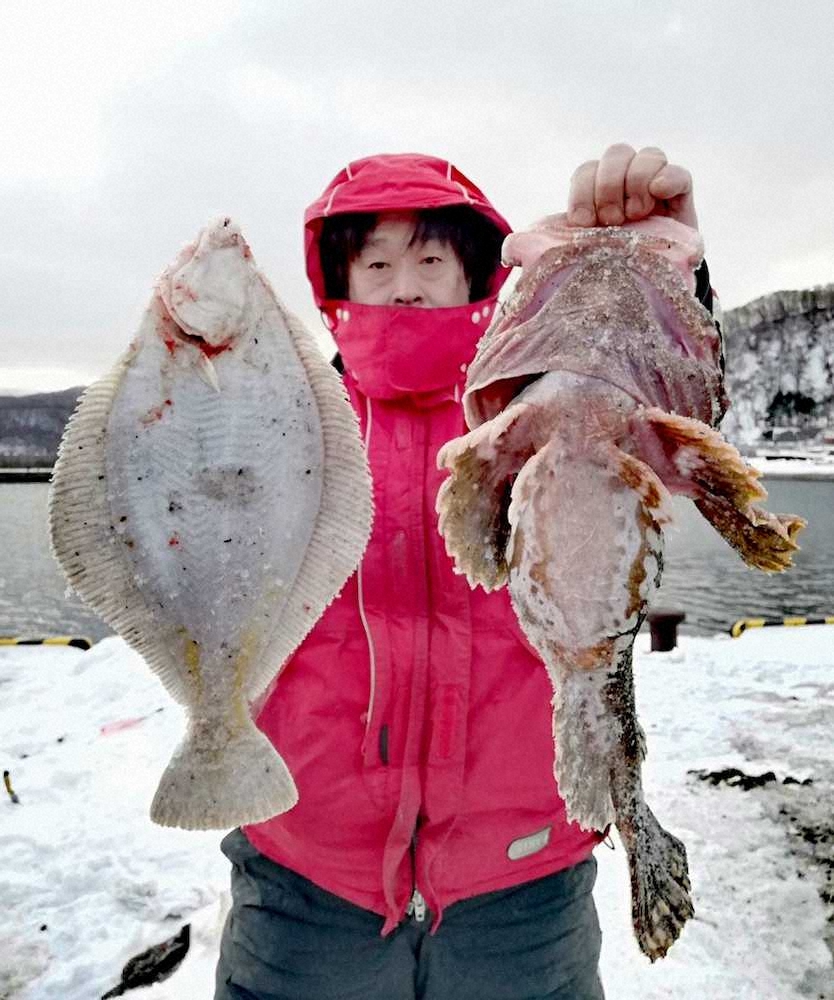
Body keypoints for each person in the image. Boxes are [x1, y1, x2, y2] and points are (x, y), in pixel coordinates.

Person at [214, 144, 714, 1000]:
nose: (403, 283)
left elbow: (673, 426)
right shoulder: (286, 425)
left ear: (479, 272)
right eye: (375, 262)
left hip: (522, 889)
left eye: (430, 258)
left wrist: (660, 288)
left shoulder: (547, 408)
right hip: (304, 878)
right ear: (339, 288)